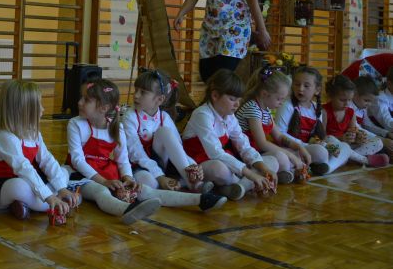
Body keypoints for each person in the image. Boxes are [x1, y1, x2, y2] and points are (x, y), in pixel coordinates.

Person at [67, 79, 226, 225]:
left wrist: (128, 178)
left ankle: (200, 199)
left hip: (106, 171)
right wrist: (104, 182)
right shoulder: (75, 124)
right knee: (101, 192)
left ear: (104, 108)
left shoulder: (116, 127)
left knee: (144, 190)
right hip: (80, 174)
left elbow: (123, 160)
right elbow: (77, 160)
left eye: (86, 100)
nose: (79, 102)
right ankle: (127, 210)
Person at [0, 79, 78, 220]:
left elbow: (47, 160)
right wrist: (49, 196)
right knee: (19, 187)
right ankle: (54, 203)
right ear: (24, 111)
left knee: (63, 171)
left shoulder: (34, 133)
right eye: (38, 105)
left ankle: (28, 203)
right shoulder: (4, 136)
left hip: (22, 176)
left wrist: (62, 188)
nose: (43, 109)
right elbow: (23, 167)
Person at [181, 69, 279, 200]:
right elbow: (216, 153)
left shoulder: (230, 116)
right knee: (219, 169)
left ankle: (236, 187)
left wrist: (264, 169)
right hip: (199, 164)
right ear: (215, 95)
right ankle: (244, 184)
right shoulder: (202, 114)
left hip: (223, 161)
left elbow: (244, 146)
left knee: (272, 162)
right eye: (232, 99)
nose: (237, 104)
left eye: (239, 99)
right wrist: (251, 175)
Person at [122, 69, 209, 192]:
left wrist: (193, 166)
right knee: (149, 183)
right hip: (138, 165)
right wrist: (159, 176)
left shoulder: (164, 117)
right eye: (136, 90)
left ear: (160, 99)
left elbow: (178, 149)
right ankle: (177, 184)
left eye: (143, 92)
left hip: (164, 166)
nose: (136, 95)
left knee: (164, 132)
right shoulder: (130, 117)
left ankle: (194, 183)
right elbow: (136, 153)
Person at [236, 67, 312, 184]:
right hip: (245, 154)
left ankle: (284, 172)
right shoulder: (252, 108)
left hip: (257, 152)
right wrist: (291, 156)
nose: (281, 103)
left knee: (293, 155)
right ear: (264, 94)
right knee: (282, 157)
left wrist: (299, 147)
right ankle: (248, 179)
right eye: (279, 99)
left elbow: (279, 136)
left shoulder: (266, 109)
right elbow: (262, 143)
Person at [273, 65, 339, 175]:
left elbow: (315, 137)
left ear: (317, 90)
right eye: (297, 84)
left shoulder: (316, 108)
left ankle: (324, 167)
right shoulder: (287, 105)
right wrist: (303, 145)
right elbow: (280, 133)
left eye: (306, 86)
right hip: (290, 149)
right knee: (320, 152)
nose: (300, 89)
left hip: (307, 148)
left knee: (337, 144)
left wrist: (322, 143)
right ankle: (307, 167)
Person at [321, 75, 389, 167]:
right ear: (330, 96)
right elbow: (322, 136)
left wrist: (358, 138)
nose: (347, 103)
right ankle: (365, 160)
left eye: (349, 100)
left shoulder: (351, 112)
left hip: (347, 147)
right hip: (334, 146)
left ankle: (347, 158)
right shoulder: (324, 111)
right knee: (329, 138)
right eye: (342, 100)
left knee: (378, 142)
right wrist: (341, 138)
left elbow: (354, 132)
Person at [349, 76, 393, 155]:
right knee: (379, 143)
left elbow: (368, 125)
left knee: (380, 144)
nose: (369, 104)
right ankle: (352, 156)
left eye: (370, 101)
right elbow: (357, 128)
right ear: (354, 94)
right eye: (366, 100)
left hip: (360, 138)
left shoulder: (362, 108)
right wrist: (382, 139)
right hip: (350, 139)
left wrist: (386, 133)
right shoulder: (349, 107)